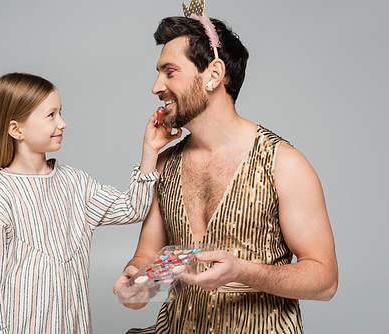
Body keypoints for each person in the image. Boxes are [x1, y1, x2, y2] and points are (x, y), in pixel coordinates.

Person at [113, 14, 338, 334]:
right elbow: (147, 257)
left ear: (213, 74)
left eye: (170, 72)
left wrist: (244, 271)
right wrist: (137, 285)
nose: (156, 87)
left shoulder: (283, 164)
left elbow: (325, 280)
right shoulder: (164, 165)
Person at [0, 72, 181, 334]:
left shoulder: (74, 182)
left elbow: (133, 208)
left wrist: (150, 152)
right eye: (51, 115)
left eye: (60, 112)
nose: (63, 123)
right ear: (17, 129)